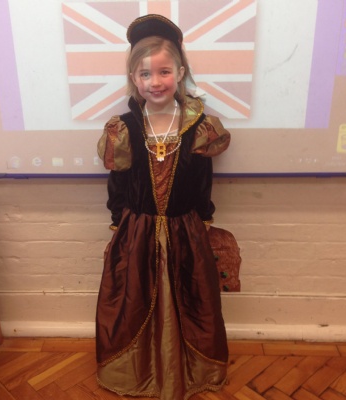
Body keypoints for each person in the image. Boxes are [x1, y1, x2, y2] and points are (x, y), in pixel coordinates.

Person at [96, 14, 231, 400]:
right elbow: (118, 182)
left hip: (185, 229)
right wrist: (118, 222)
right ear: (134, 78)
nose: (155, 82)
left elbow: (203, 179)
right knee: (134, 299)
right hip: (137, 231)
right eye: (145, 74)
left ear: (180, 73)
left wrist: (204, 218)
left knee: (191, 296)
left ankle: (189, 372)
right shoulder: (124, 128)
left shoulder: (199, 127)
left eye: (164, 72)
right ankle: (138, 372)